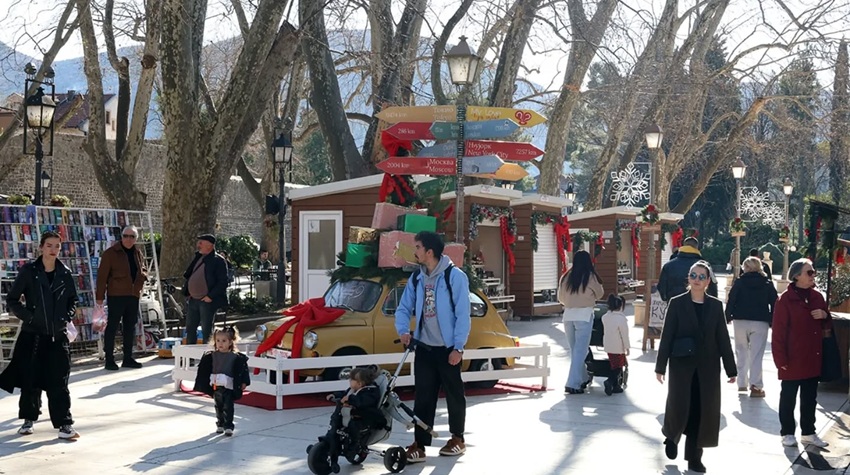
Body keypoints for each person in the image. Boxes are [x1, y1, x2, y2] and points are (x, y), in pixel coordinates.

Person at [394, 231, 471, 463]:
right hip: (425, 348)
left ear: (429, 251)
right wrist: (403, 331)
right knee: (423, 397)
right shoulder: (417, 278)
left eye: (417, 247)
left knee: (454, 395)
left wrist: (458, 347)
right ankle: (419, 445)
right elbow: (403, 307)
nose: (414, 251)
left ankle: (457, 438)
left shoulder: (454, 277)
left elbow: (463, 314)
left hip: (448, 349)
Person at [655, 261, 736, 474]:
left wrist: (731, 369)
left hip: (708, 367)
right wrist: (660, 366)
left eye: (702, 276)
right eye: (693, 275)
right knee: (679, 404)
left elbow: (723, 338)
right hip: (682, 364)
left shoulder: (716, 306)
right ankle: (671, 436)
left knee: (702, 412)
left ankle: (694, 458)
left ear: (708, 281)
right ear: (688, 278)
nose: (697, 280)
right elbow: (667, 336)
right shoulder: (677, 303)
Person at [0, 231, 80, 439]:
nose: (53, 250)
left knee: (59, 382)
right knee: (31, 381)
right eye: (49, 245)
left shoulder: (65, 273)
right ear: (41, 248)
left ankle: (64, 424)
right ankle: (28, 419)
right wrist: (30, 317)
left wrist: (66, 316)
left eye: (57, 246)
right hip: (33, 335)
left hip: (57, 335)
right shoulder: (29, 271)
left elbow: (73, 299)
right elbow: (13, 299)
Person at [771, 258, 831, 449]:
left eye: (813, 271)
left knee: (810, 398)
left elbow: (827, 327)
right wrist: (780, 359)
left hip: (812, 356)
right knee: (788, 397)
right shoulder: (785, 300)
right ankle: (787, 432)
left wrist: (825, 315)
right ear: (797, 276)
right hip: (792, 357)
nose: (813, 275)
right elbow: (778, 332)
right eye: (809, 272)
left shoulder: (817, 297)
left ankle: (808, 432)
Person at [95, 225, 148, 370]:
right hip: (116, 295)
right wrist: (99, 298)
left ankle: (128, 358)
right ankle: (109, 360)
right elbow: (102, 277)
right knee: (112, 327)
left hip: (133, 295)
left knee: (130, 327)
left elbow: (142, 268)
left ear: (136, 238)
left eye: (132, 236)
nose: (129, 239)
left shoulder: (138, 253)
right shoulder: (111, 253)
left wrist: (143, 277)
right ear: (121, 237)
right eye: (126, 236)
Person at [725, 256, 777, 398]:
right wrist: (773, 320)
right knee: (757, 354)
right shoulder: (767, 283)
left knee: (741, 350)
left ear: (745, 267)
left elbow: (732, 299)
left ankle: (742, 383)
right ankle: (756, 386)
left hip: (740, 320)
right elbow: (774, 302)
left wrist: (727, 316)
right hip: (760, 321)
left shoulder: (740, 282)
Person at [557, 250, 604, 394]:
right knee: (580, 350)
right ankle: (573, 383)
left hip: (568, 315)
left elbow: (560, 298)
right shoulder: (590, 277)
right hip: (584, 315)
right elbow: (600, 293)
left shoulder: (566, 277)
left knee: (575, 350)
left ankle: (583, 377)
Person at [193, 326, 250, 436]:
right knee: (218, 406)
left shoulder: (236, 357)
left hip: (228, 386)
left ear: (231, 342)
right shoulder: (211, 356)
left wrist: (244, 382)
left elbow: (243, 370)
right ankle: (220, 423)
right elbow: (204, 370)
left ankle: (228, 425)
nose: (220, 344)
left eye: (224, 341)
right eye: (218, 340)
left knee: (228, 406)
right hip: (216, 385)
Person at [182, 234, 229, 344]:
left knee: (206, 330)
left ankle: (207, 356)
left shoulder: (218, 261)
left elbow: (223, 282)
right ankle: (190, 356)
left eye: (201, 243)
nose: (198, 245)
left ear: (210, 246)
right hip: (193, 300)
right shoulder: (199, 257)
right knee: (190, 328)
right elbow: (189, 274)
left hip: (207, 301)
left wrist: (210, 296)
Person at [326, 367, 383, 450]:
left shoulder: (370, 393)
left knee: (353, 428)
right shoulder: (353, 389)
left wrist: (350, 399)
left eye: (351, 380)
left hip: (363, 418)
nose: (349, 381)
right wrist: (335, 395)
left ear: (359, 384)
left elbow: (363, 402)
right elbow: (344, 394)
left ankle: (354, 445)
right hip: (349, 415)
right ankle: (329, 440)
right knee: (335, 423)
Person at [658, 237, 718, 301]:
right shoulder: (705, 266)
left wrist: (667, 299)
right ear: (696, 248)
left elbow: (661, 287)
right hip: (699, 305)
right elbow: (713, 287)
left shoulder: (668, 266)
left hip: (674, 305)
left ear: (683, 246)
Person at [601, 294, 629, 396]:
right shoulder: (621, 319)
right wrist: (627, 347)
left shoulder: (605, 317)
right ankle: (609, 381)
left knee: (613, 365)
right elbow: (624, 335)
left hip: (608, 346)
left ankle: (616, 386)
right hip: (618, 347)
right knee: (618, 367)